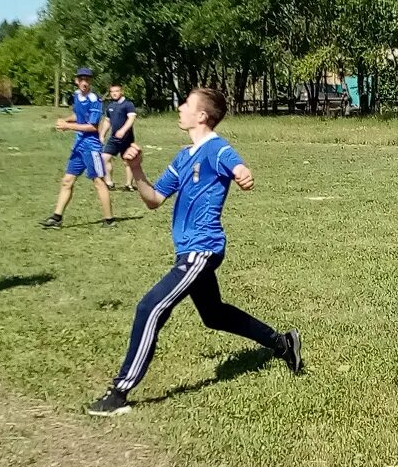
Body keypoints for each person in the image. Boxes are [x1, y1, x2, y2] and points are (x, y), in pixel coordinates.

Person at [88, 85, 302, 415]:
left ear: (201, 115)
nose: (179, 108)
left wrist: (244, 175)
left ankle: (119, 392)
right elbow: (154, 200)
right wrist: (136, 170)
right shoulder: (183, 157)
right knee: (214, 315)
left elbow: (238, 166)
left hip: (203, 249)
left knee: (150, 307)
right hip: (187, 249)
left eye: (185, 104)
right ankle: (282, 342)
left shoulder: (217, 149)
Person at [40, 67, 114, 228]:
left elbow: (93, 126)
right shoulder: (76, 96)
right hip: (78, 146)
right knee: (67, 181)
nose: (84, 83)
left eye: (87, 80)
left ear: (90, 82)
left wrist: (68, 126)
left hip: (91, 147)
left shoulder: (95, 100)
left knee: (98, 182)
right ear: (76, 81)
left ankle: (109, 220)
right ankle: (56, 218)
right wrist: (65, 120)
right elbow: (78, 116)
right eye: (81, 79)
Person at [102, 79, 139, 193]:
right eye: (112, 91)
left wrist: (123, 130)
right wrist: (102, 134)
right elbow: (107, 121)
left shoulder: (128, 104)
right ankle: (109, 183)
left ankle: (128, 184)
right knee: (104, 158)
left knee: (127, 161)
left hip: (127, 138)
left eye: (117, 91)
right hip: (114, 138)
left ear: (121, 91)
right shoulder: (110, 106)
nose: (114, 93)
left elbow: (131, 118)